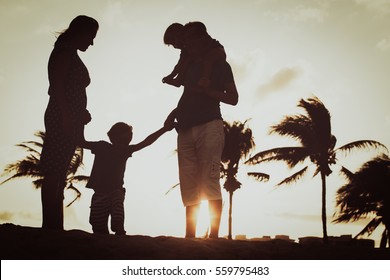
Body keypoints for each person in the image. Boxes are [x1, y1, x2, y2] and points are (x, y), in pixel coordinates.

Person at [164, 21, 239, 238]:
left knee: (209, 180)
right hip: (185, 128)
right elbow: (187, 93)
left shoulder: (220, 65)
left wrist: (209, 91)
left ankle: (214, 237)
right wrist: (174, 113)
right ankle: (190, 237)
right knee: (188, 183)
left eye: (189, 39)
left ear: (201, 39)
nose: (185, 44)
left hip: (209, 126)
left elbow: (233, 99)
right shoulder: (188, 64)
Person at [39, 15, 99, 230]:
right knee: (54, 171)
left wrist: (81, 112)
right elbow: (56, 87)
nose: (91, 42)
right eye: (91, 37)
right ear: (80, 33)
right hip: (60, 116)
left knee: (60, 171)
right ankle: (51, 226)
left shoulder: (70, 53)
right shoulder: (64, 53)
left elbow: (72, 89)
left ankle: (55, 225)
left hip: (69, 116)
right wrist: (66, 115)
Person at [81, 122, 173, 235]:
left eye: (130, 135)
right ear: (114, 136)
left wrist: (164, 129)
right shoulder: (102, 146)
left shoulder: (125, 150)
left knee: (117, 214)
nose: (130, 137)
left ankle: (119, 232)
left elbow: (147, 142)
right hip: (100, 193)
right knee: (98, 225)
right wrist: (81, 123)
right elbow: (82, 142)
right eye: (127, 135)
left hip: (116, 191)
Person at [162, 22, 226, 89]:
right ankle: (179, 79)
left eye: (174, 43)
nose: (175, 46)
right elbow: (179, 65)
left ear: (178, 36)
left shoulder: (191, 37)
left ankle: (205, 80)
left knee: (208, 60)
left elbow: (199, 48)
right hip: (201, 55)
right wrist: (171, 76)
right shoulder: (185, 49)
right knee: (186, 62)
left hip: (216, 51)